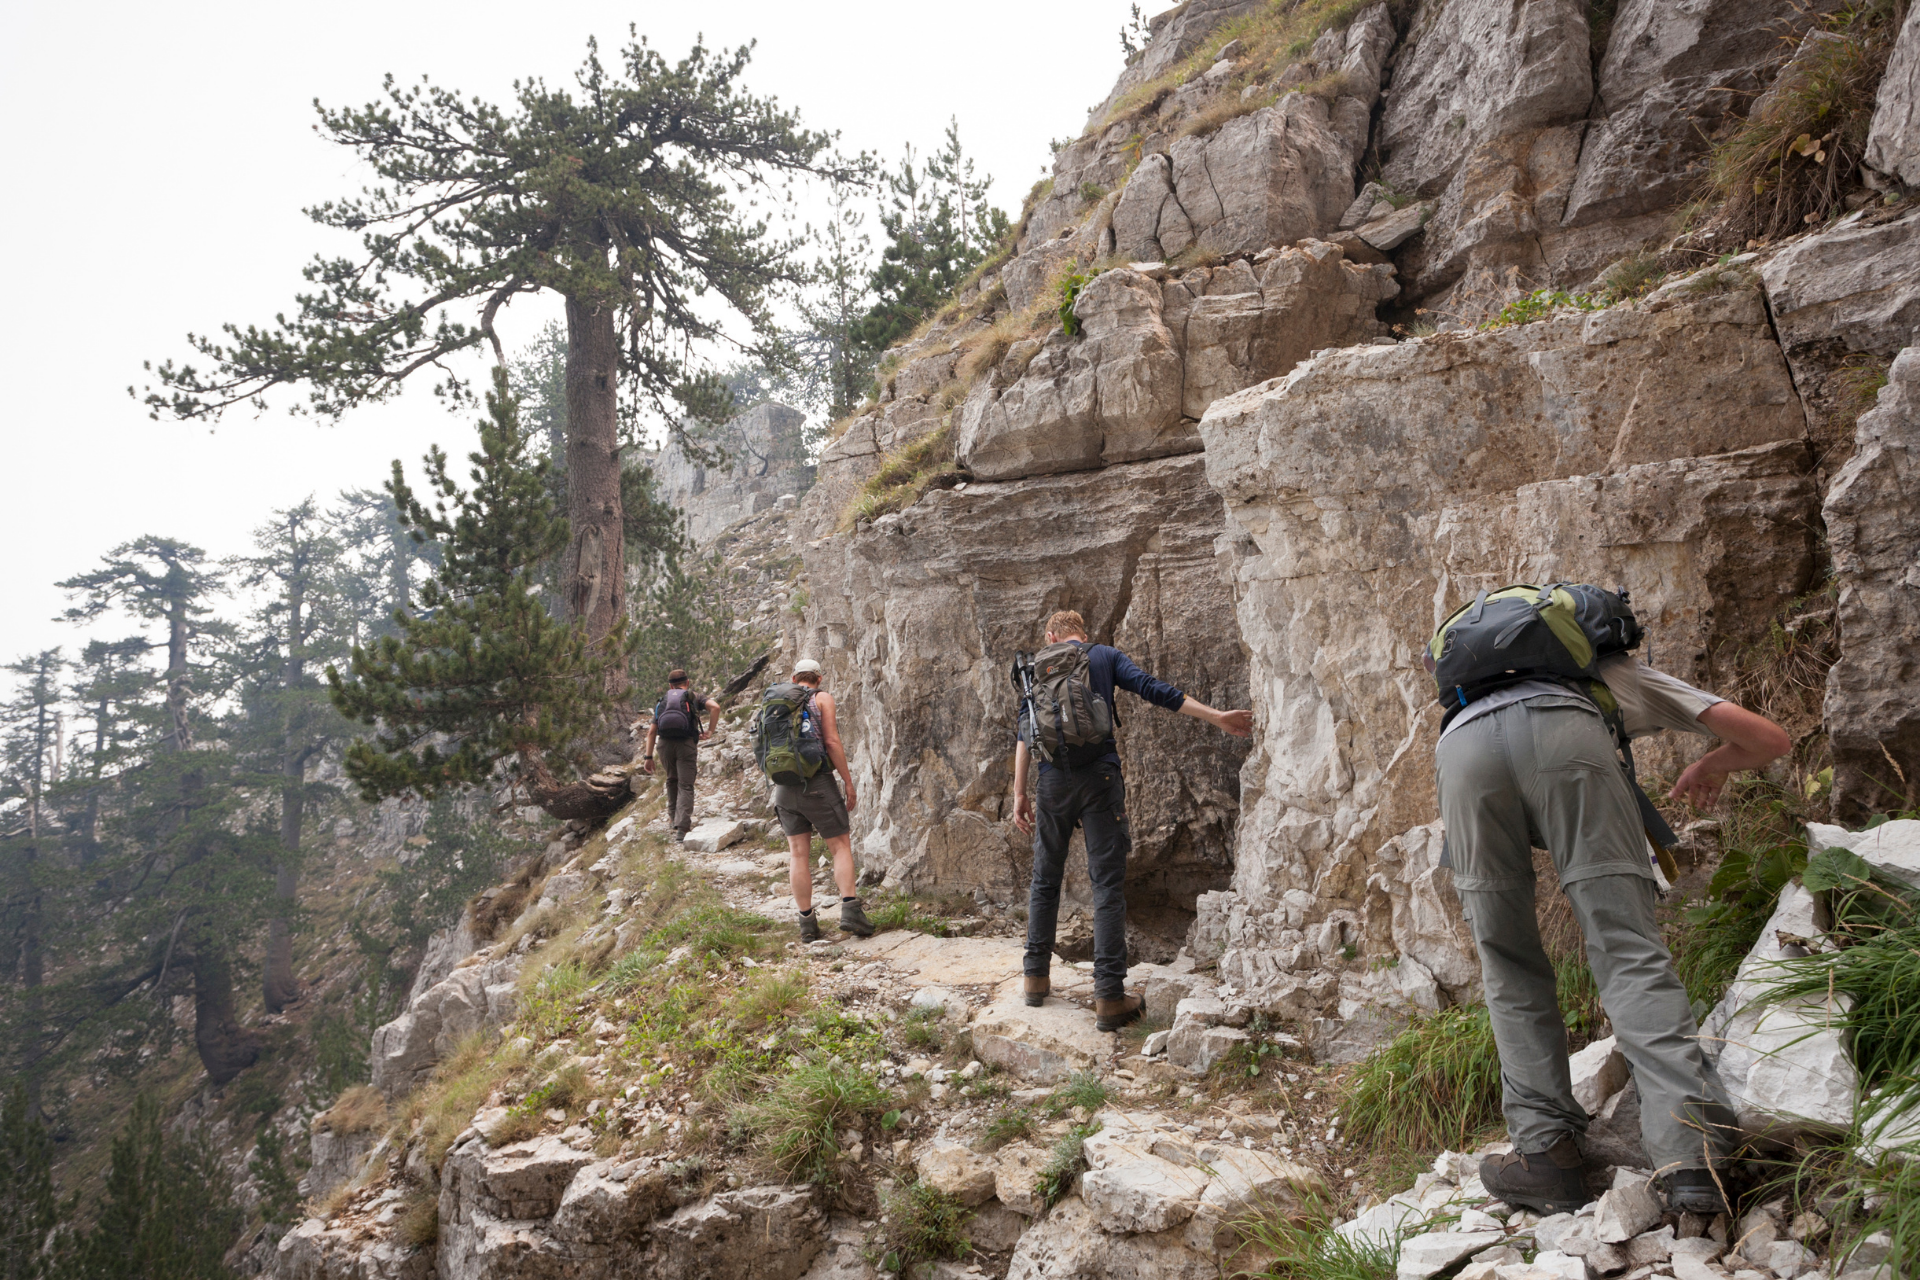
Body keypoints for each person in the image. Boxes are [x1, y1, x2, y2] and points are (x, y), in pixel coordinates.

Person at [1439, 650, 1791, 1214]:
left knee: (1507, 962)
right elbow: (1769, 739)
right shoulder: (1610, 671)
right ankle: (1691, 1160)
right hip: (1569, 738)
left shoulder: (1474, 689)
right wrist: (1711, 765)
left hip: (1460, 750)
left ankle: (1546, 1157)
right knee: (1628, 951)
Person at [1011, 610, 1252, 1031]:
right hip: (1101, 781)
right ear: (1082, 635)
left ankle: (1035, 978)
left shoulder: (1038, 668)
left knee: (1044, 879)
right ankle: (1108, 996)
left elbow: (1024, 732)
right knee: (1106, 885)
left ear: (1051, 636)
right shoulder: (1102, 655)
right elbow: (1153, 689)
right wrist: (1217, 716)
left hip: (1051, 784)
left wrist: (1018, 793)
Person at [773, 659, 873, 943]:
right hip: (817, 782)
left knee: (797, 854)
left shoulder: (778, 701)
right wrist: (848, 781)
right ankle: (851, 910)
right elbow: (831, 742)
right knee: (840, 846)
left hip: (783, 786)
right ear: (818, 677)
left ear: (794, 678)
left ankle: (807, 924)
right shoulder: (821, 698)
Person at [642, 669, 720, 842]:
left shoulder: (663, 700)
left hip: (664, 745)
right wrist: (710, 731)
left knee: (671, 779)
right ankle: (682, 828)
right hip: (686, 744)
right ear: (688, 682)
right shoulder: (694, 696)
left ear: (670, 685)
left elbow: (651, 732)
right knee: (685, 785)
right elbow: (715, 707)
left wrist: (648, 758)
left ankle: (672, 818)